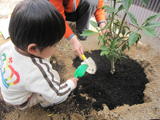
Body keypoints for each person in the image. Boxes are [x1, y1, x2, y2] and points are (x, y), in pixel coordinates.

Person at [0, 0, 78, 110]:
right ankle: (45, 103)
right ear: (33, 48)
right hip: (21, 102)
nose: (55, 49)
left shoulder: (8, 46)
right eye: (54, 46)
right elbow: (56, 94)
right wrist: (70, 84)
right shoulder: (36, 70)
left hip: (9, 91)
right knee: (54, 75)